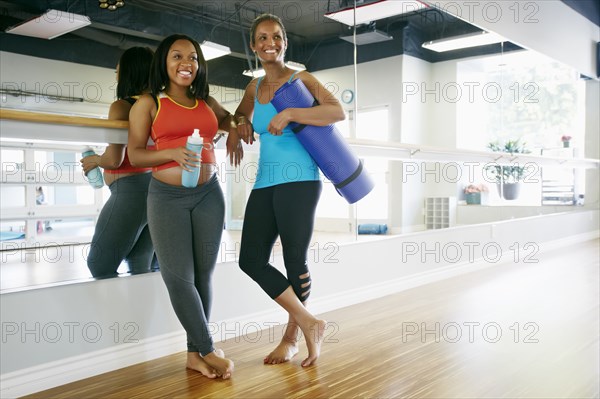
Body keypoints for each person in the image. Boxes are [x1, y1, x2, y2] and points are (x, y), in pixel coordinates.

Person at [128, 34, 242, 379]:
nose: (186, 63)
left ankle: (195, 356)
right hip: (167, 197)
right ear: (164, 62)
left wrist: (235, 128)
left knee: (204, 275)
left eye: (192, 57)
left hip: (209, 193)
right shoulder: (149, 103)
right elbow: (135, 154)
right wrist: (170, 153)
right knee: (179, 277)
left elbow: (230, 120)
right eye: (177, 56)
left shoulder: (204, 100)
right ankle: (208, 347)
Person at [234, 14, 345, 367]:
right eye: (263, 37)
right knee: (250, 259)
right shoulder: (254, 88)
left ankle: (292, 337)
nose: (271, 42)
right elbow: (240, 113)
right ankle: (311, 322)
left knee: (294, 260)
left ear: (285, 42)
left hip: (300, 181)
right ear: (253, 46)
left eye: (277, 37)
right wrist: (240, 125)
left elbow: (337, 111)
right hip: (265, 182)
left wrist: (293, 113)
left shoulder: (303, 79)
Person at [81, 47, 158, 278]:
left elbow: (114, 159)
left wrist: (94, 160)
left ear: (129, 73)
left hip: (130, 193)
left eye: (118, 71)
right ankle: (141, 313)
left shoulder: (122, 107)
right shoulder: (159, 105)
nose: (116, 76)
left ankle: (115, 314)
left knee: (99, 265)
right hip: (156, 189)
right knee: (140, 265)